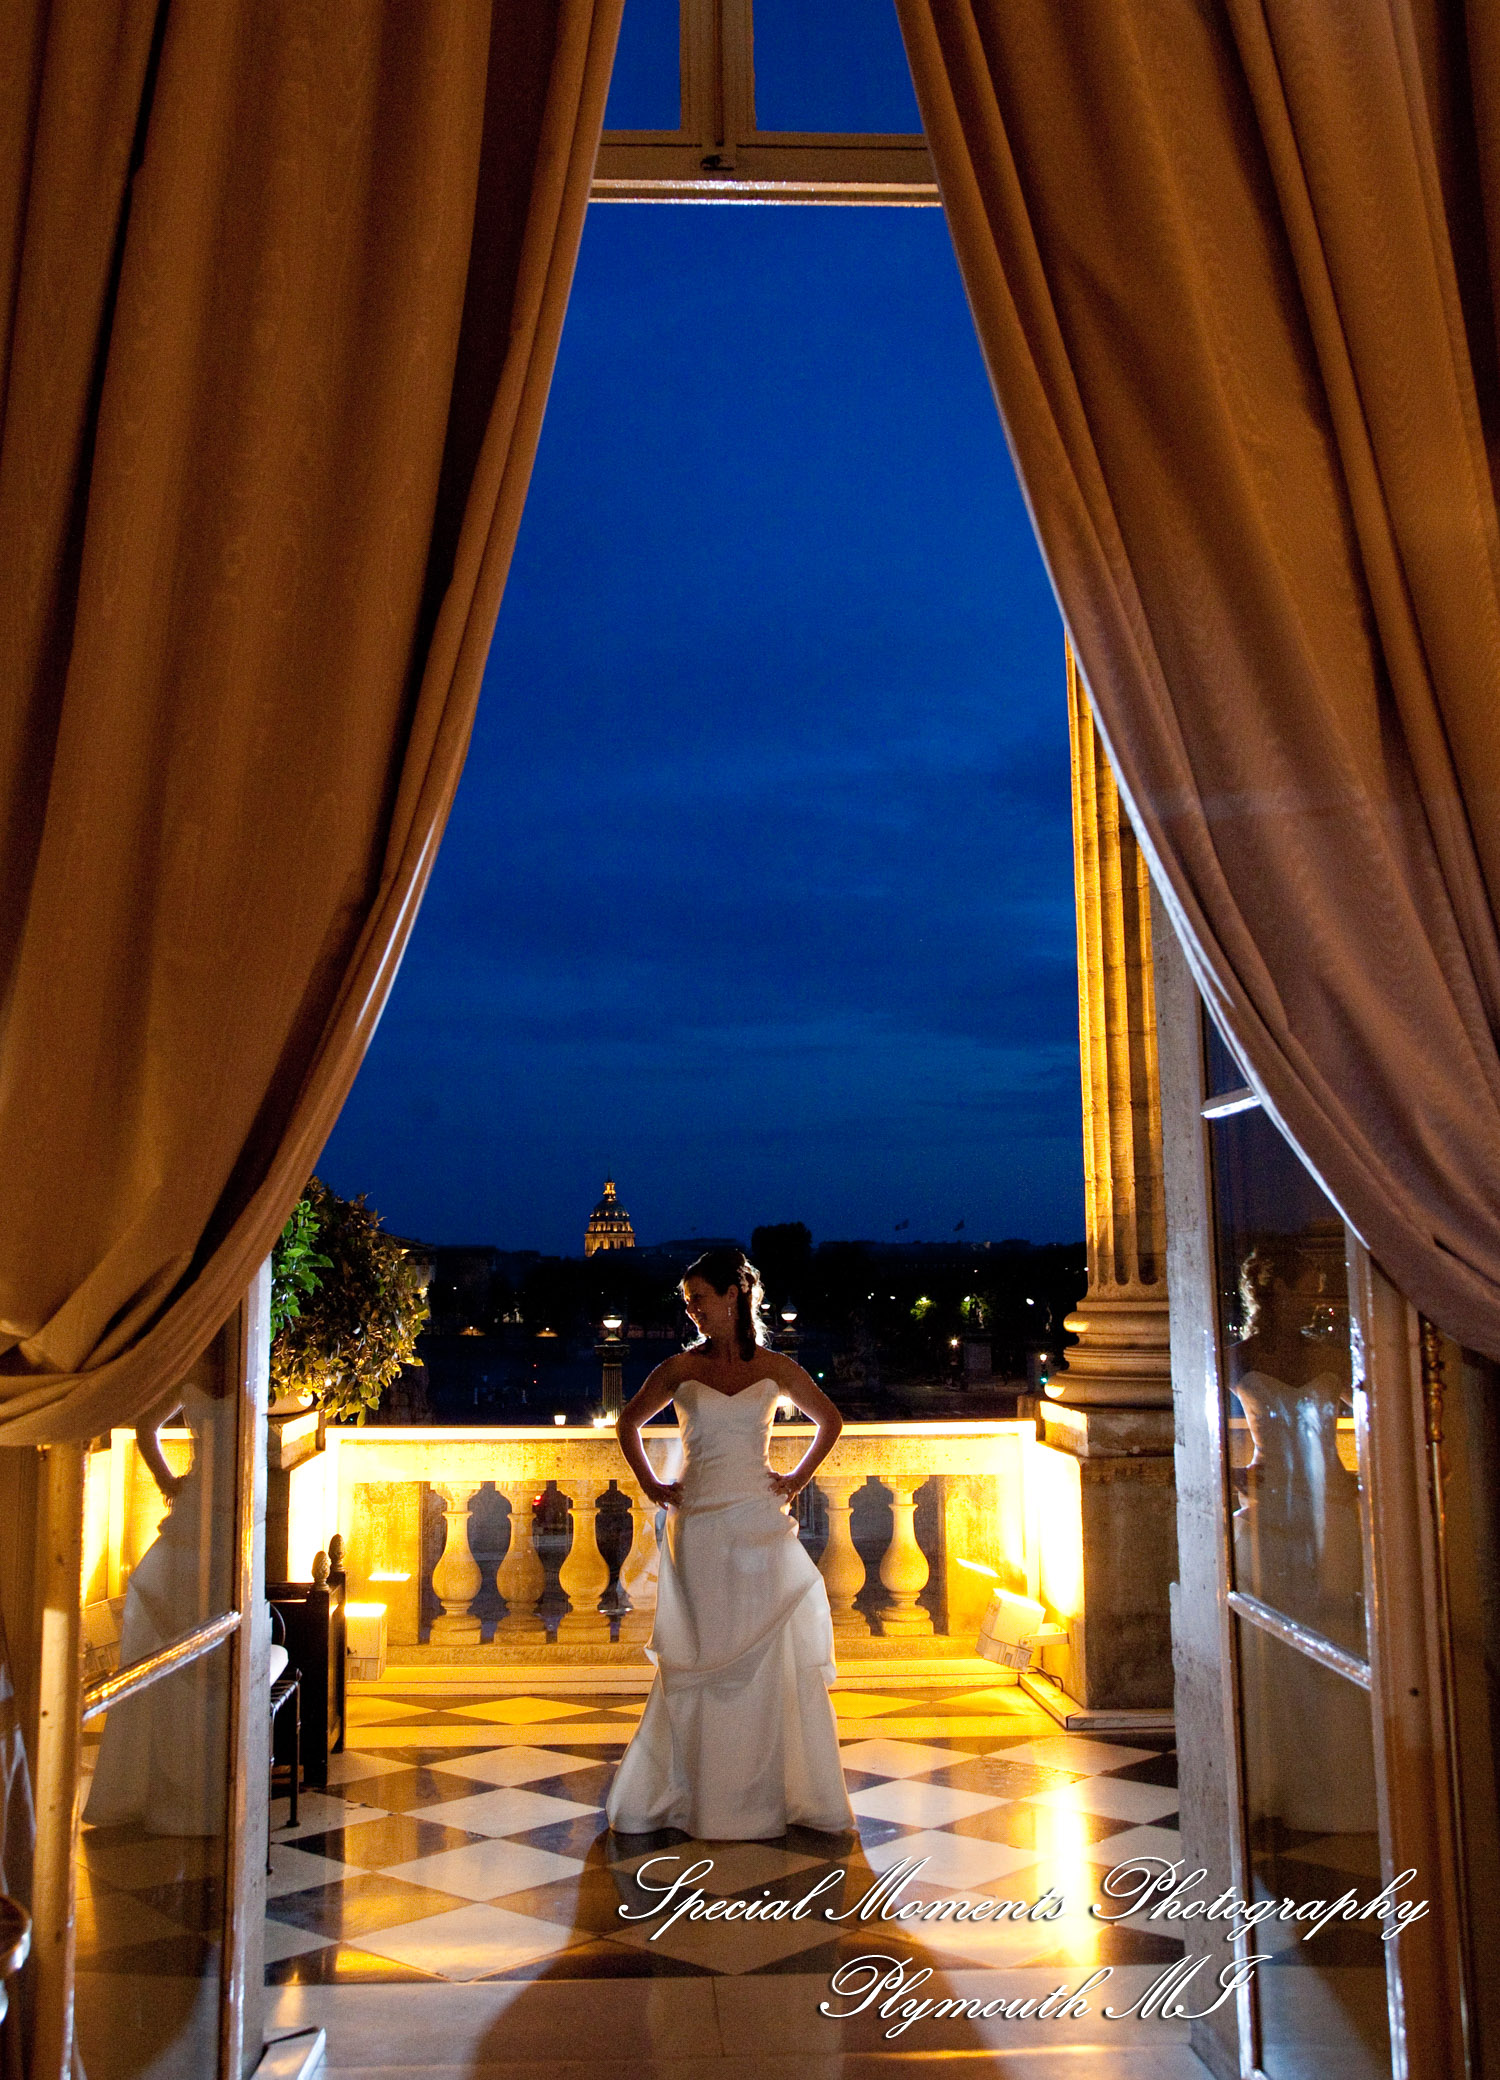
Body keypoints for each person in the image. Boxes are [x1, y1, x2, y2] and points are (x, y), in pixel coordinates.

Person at [605, 1245, 856, 1841]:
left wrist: (796, 1478)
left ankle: (764, 1796)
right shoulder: (680, 1368)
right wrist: (652, 1484)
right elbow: (627, 1422)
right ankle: (697, 1795)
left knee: (766, 1663)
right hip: (699, 1530)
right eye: (687, 1301)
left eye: (700, 1299)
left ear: (734, 1295)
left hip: (758, 1524)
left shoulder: (775, 1367)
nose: (691, 1309)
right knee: (700, 1658)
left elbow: (831, 1421)